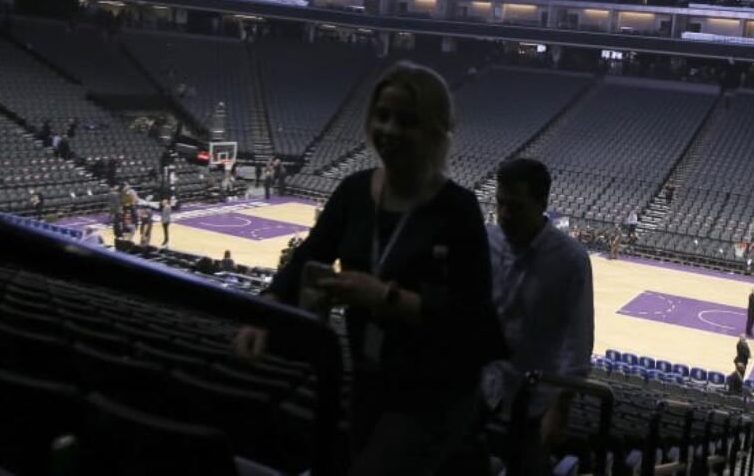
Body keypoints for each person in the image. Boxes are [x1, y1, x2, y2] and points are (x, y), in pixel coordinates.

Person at [232, 62, 506, 476]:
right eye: (383, 116)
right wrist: (267, 312)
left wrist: (386, 297)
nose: (390, 129)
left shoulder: (458, 209)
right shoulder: (354, 191)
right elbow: (309, 254)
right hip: (366, 375)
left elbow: (473, 321)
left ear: (435, 130)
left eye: (407, 120)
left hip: (435, 390)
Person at [477, 158, 594, 476]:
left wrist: (561, 406)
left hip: (533, 408)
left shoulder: (571, 260)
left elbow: (578, 342)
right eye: (500, 204)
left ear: (542, 204)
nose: (504, 216)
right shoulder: (486, 240)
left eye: (516, 207)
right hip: (482, 393)